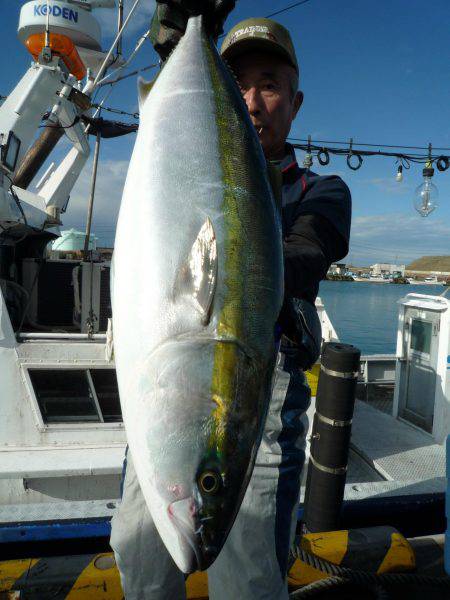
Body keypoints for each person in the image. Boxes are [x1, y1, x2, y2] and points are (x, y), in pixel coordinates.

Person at [110, 4, 351, 599]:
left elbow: (306, 251)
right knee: (140, 563)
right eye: (239, 83)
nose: (252, 99)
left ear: (295, 103)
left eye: (270, 85)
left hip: (254, 416)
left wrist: (244, 260)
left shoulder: (322, 192)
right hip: (170, 399)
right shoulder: (171, 157)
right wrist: (177, 46)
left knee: (247, 579)